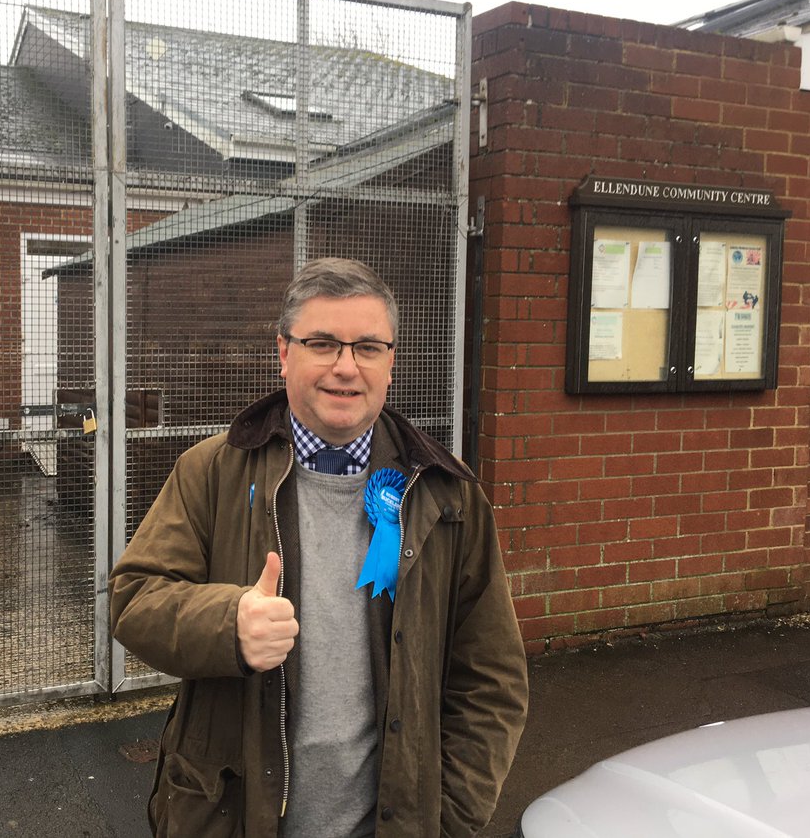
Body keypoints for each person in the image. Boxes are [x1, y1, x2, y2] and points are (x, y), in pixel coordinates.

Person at [110, 257, 528, 837]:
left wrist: (451, 814)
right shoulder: (211, 472)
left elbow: (491, 676)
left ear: (391, 363)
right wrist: (227, 623)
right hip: (232, 818)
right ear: (285, 353)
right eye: (323, 343)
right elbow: (133, 599)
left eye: (368, 348)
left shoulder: (446, 495)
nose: (345, 368)